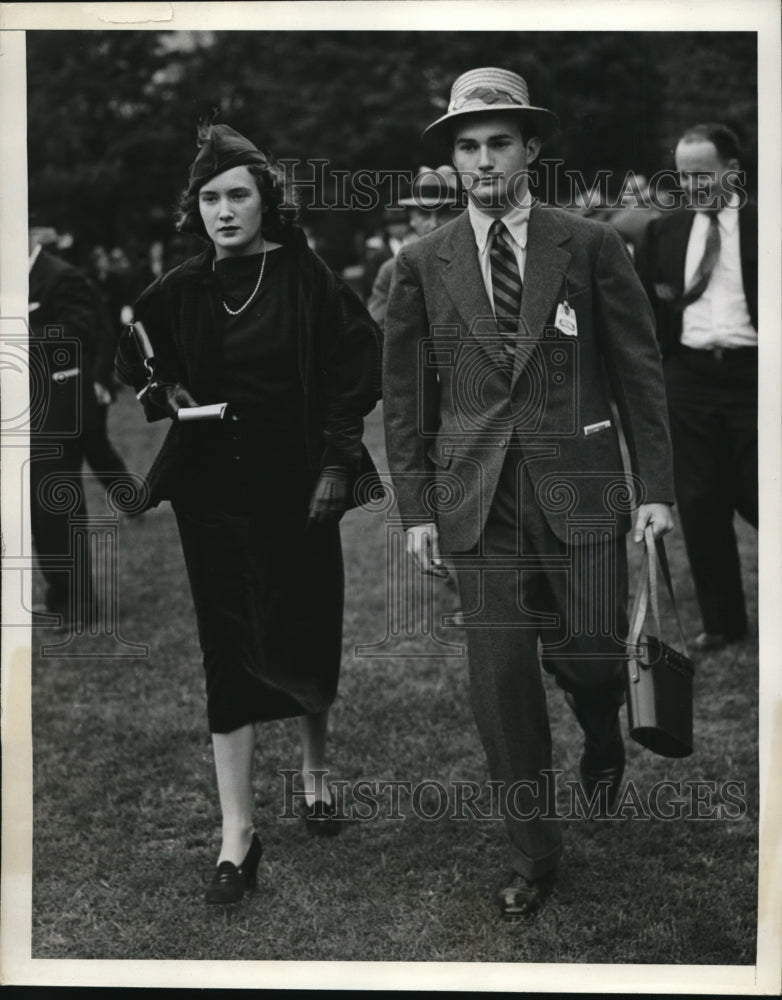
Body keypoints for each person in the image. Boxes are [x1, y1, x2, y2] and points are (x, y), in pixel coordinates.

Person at [383, 67, 674, 918]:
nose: (482, 161)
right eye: (467, 146)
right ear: (452, 161)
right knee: (502, 681)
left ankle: (599, 727)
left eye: (498, 143)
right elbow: (407, 400)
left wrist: (653, 488)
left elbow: (638, 372)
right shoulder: (420, 262)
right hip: (477, 500)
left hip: (580, 488)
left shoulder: (586, 244)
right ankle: (534, 851)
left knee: (589, 657)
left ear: (531, 149)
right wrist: (415, 511)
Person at [115, 124, 382, 904]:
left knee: (303, 627)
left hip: (299, 487)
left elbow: (354, 367)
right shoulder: (181, 285)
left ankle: (315, 773)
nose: (224, 211)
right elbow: (136, 348)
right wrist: (163, 394)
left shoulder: (306, 277)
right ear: (193, 209)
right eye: (209, 198)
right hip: (212, 494)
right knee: (228, 649)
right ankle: (238, 832)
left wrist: (337, 462)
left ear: (267, 200)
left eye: (238, 195)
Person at [638, 124, 757, 652]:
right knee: (701, 504)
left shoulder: (766, 224)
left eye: (702, 173)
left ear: (732, 169)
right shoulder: (663, 231)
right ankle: (724, 622)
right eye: (684, 174)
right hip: (687, 379)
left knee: (763, 498)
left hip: (755, 378)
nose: (691, 185)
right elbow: (648, 307)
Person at [28, 224, 98, 628]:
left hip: (58, 412)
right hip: (24, 413)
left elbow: (80, 332)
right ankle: (59, 596)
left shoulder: (60, 276)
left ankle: (80, 604)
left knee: (60, 508)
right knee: (40, 513)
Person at [367, 165, 462, 331]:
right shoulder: (392, 271)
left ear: (459, 216)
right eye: (425, 214)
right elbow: (377, 331)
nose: (433, 224)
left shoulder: (475, 262)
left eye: (443, 212)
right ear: (412, 219)